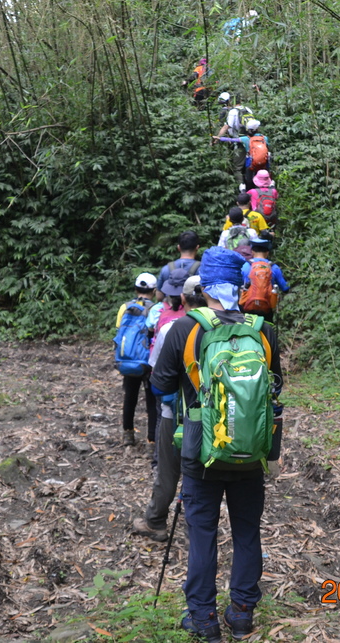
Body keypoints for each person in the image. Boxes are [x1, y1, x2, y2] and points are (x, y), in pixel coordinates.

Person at [150, 247, 283, 643]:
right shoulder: (263, 330)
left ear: (203, 286)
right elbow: (274, 392)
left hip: (199, 451)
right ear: (240, 285)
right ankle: (242, 613)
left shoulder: (186, 329)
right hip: (250, 451)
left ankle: (204, 619)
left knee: (203, 534)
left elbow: (158, 386)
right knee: (247, 532)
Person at [133, 273, 205, 542]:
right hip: (214, 417)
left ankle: (155, 521)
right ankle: (197, 531)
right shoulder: (223, 329)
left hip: (174, 415)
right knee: (199, 473)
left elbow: (158, 382)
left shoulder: (171, 329)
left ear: (183, 298)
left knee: (168, 471)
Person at [115, 272, 160, 447]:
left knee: (130, 397)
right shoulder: (155, 309)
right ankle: (151, 441)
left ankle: (128, 435)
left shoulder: (124, 307)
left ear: (136, 288)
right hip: (148, 362)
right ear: (154, 290)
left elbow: (119, 332)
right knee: (151, 401)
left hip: (128, 359)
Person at [240, 237, 290, 324]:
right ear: (267, 253)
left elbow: (239, 285)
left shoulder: (245, 266)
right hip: (266, 307)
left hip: (247, 306)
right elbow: (285, 288)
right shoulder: (274, 267)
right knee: (268, 330)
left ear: (252, 252)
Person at [213, 118, 270, 187]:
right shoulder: (265, 138)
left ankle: (248, 191)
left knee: (249, 179)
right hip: (263, 162)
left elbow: (232, 140)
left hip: (250, 163)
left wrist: (219, 138)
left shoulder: (245, 139)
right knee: (262, 176)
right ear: (257, 129)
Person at [156, 230, 201, 302]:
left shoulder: (166, 269)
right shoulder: (202, 269)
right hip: (193, 310)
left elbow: (159, 296)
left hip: (171, 309)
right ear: (197, 247)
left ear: (178, 247)